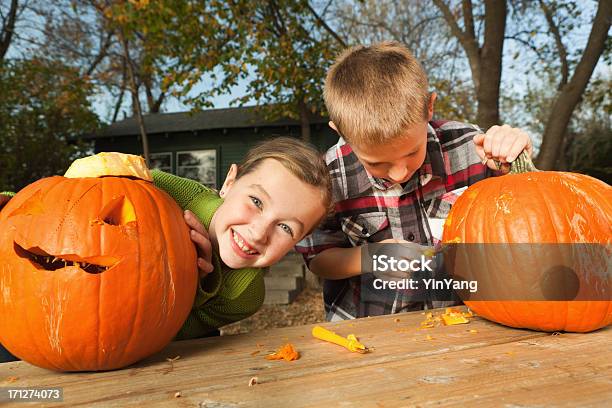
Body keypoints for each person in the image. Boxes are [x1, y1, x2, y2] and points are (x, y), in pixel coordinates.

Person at [0, 137, 331, 347]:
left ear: (299, 242)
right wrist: (9, 206)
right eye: (256, 202)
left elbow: (157, 340)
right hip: (51, 313)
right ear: (230, 182)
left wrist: (199, 284)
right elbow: (66, 207)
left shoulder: (244, 295)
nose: (259, 233)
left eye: (286, 228)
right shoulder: (156, 189)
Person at [295, 41, 533, 321]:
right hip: (367, 327)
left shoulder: (471, 149)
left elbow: (530, 217)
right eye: (376, 163)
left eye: (411, 153)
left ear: (429, 107)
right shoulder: (329, 175)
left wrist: (515, 161)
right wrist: (371, 257)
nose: (399, 173)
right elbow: (319, 259)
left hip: (459, 319)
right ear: (341, 131)